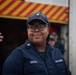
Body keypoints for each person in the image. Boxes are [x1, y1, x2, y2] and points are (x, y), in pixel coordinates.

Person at [2, 12, 71, 75]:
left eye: (41, 26)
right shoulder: (18, 55)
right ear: (27, 30)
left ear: (48, 29)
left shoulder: (57, 53)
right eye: (32, 27)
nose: (36, 30)